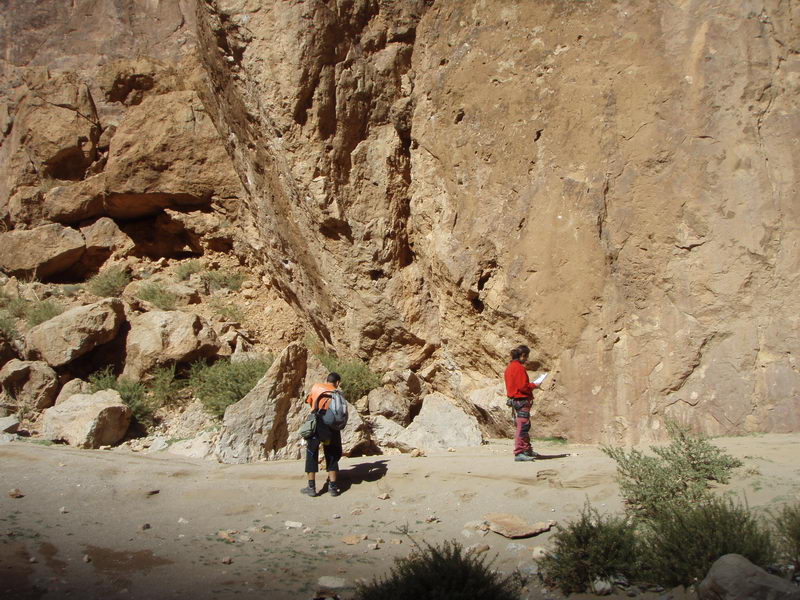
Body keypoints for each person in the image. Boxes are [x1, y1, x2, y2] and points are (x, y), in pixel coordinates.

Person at [300, 372, 343, 497]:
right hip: (332, 427)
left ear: (327, 380)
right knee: (332, 454)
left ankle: (311, 487)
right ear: (337, 382)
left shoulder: (316, 387)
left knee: (311, 453)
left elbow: (309, 402)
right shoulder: (338, 393)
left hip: (317, 425)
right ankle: (333, 487)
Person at [504, 345, 547, 462]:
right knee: (522, 426)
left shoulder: (509, 368)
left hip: (515, 400)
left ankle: (526, 449)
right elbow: (523, 387)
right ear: (522, 356)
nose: (527, 359)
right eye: (526, 357)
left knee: (524, 425)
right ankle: (519, 452)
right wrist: (534, 385)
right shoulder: (519, 368)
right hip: (521, 400)